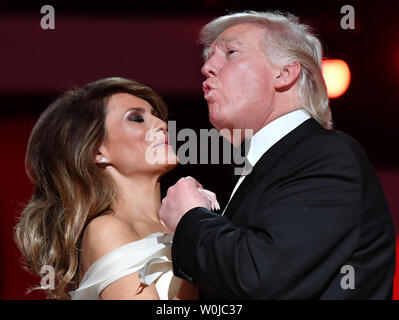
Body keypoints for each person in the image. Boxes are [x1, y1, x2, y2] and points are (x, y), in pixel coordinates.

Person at [159, 11, 396, 299]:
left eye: (230, 52)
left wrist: (190, 218)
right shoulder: (270, 164)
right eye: (208, 57)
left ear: (285, 73)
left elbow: (260, 276)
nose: (207, 67)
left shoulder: (328, 155)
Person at [14, 77, 204, 300]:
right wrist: (192, 235)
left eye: (157, 115)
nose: (161, 124)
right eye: (136, 118)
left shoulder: (180, 222)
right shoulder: (105, 229)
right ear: (98, 151)